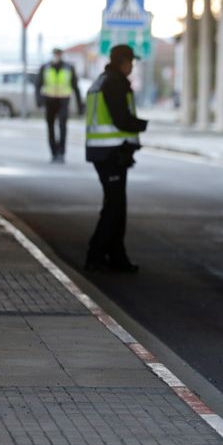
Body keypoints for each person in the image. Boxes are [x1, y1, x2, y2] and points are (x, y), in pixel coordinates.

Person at [84, 44, 148, 273]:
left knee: (116, 206)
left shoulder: (102, 80)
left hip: (105, 152)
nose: (132, 66)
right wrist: (142, 125)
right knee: (114, 207)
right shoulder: (114, 83)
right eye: (130, 62)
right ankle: (96, 256)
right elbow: (121, 118)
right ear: (123, 62)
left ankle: (116, 257)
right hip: (111, 152)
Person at [35, 48, 84, 163]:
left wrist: (80, 106)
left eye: (59, 54)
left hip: (63, 100)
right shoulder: (45, 67)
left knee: (63, 126)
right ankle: (53, 152)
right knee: (50, 127)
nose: (57, 56)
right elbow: (38, 85)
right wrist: (39, 101)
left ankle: (61, 152)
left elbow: (75, 87)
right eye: (55, 54)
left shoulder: (68, 68)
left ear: (61, 55)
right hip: (49, 100)